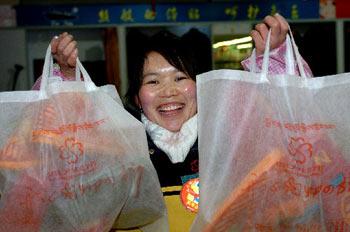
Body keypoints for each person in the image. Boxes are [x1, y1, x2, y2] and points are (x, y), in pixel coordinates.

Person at [33, 14, 313, 232]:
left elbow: (293, 124)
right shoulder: (118, 146)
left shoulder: (230, 138)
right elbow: (58, 144)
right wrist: (67, 78)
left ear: (200, 87)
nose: (169, 92)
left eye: (180, 78)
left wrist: (275, 59)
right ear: (137, 97)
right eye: (153, 81)